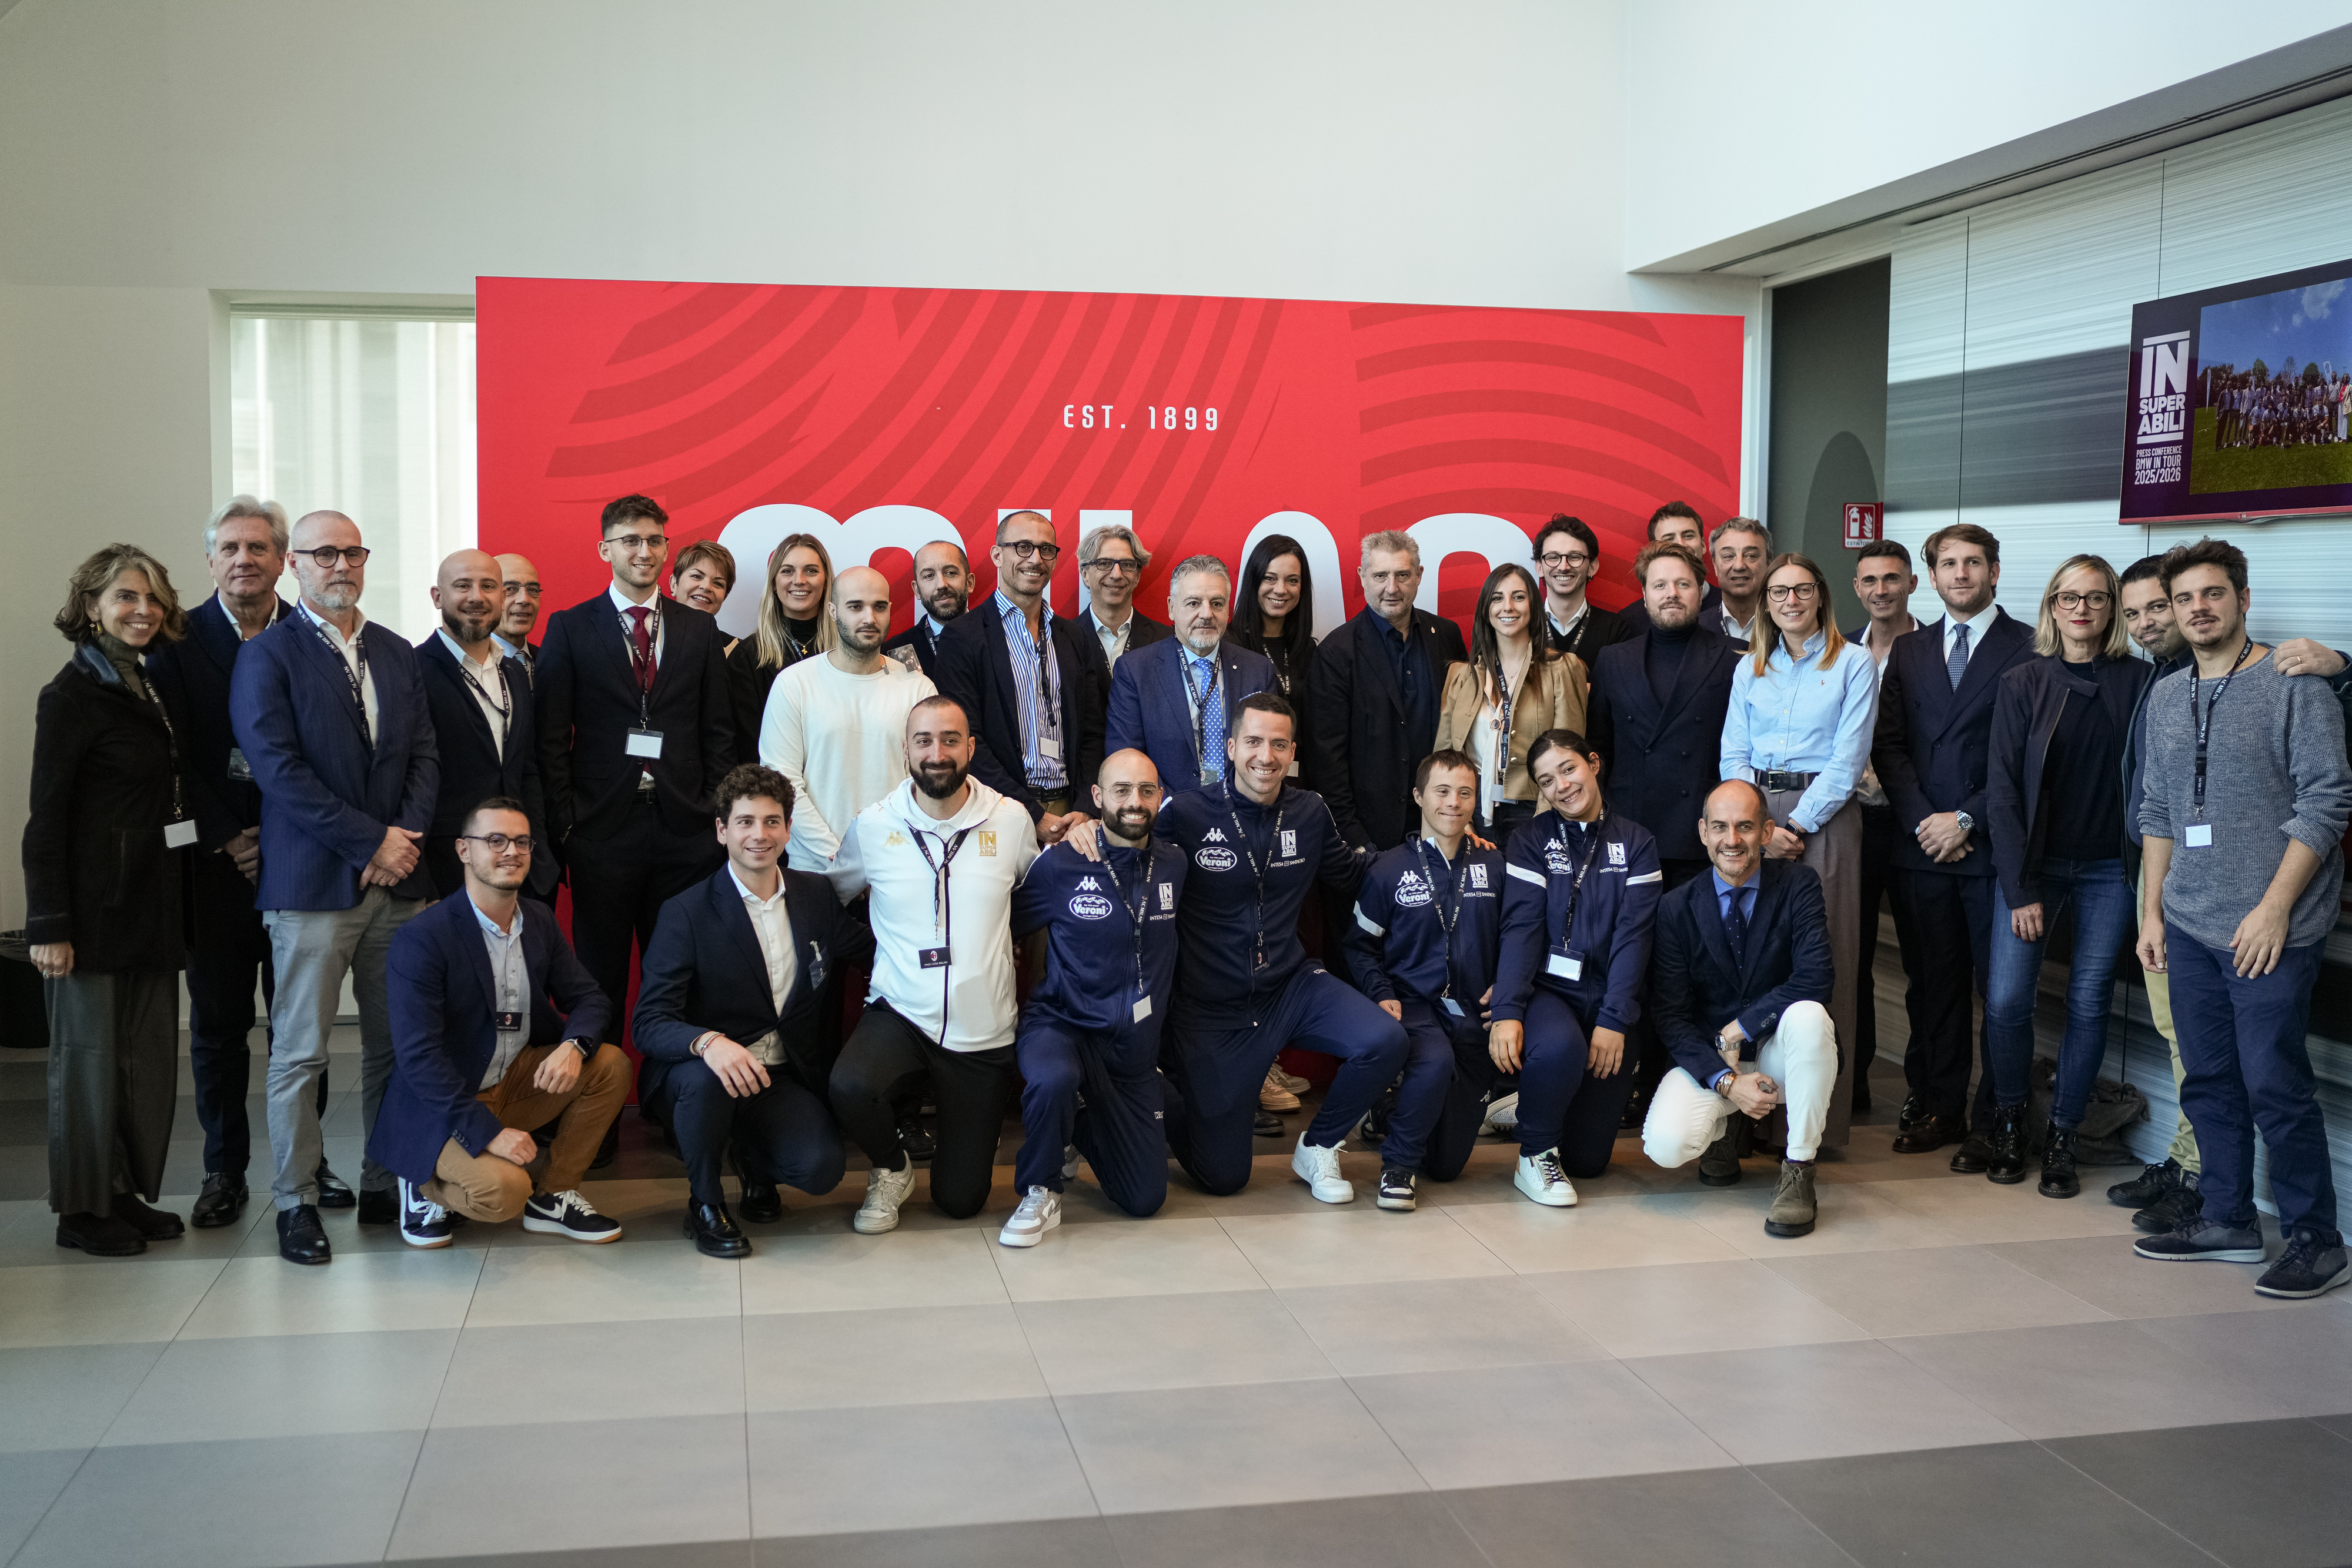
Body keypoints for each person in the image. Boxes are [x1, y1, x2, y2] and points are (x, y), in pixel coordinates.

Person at [1073, 693, 1406, 1201]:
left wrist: (1429, 847)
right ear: (1230, 747)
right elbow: (1128, 845)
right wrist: (1086, 833)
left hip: (1291, 987)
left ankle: (1318, 1145)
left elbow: (1351, 871)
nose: (1265, 756)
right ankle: (1133, 1093)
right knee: (1223, 1177)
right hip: (1212, 1011)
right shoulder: (1186, 812)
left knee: (1386, 1040)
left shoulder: (1310, 811)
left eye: (1279, 744)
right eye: (1253, 741)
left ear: (1292, 751)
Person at [2134, 539, 2352, 1299]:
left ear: (2243, 599)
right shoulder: (2167, 696)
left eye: (2213, 593)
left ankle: (2315, 1238)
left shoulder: (2295, 686)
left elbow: (2327, 802)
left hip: (2271, 929)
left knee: (2275, 1085)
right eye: (2184, 598)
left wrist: (2274, 909)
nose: (2198, 608)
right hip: (2189, 923)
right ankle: (2226, 1216)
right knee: (2208, 1079)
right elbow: (2157, 810)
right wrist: (2152, 913)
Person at [229, 509, 439, 1265]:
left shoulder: (396, 651)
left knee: (396, 1047)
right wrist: (369, 841)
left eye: (352, 552)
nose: (341, 565)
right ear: (295, 565)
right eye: (324, 554)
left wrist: (402, 840)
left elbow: (425, 756)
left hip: (398, 886)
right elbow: (279, 771)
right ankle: (295, 1202)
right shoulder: (267, 654)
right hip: (311, 885)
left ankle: (384, 1182)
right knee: (300, 1054)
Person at [146, 497, 343, 1229]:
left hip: (301, 862)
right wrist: (230, 836)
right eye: (229, 548)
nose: (244, 560)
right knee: (220, 1029)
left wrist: (286, 836)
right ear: (209, 561)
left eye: (258, 548)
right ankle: (223, 1169)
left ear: (283, 560)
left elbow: (330, 748)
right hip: (215, 866)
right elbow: (171, 755)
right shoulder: (174, 641)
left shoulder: (315, 635)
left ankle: (309, 1161)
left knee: (303, 1029)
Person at [25, 545, 196, 1258]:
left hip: (151, 907)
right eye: (126, 596)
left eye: (152, 597)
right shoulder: (71, 695)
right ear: (92, 606)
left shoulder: (147, 683)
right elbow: (46, 819)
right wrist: (48, 925)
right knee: (88, 1065)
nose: (142, 610)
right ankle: (81, 1209)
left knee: (140, 1061)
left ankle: (120, 1192)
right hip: (92, 917)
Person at [535, 493, 734, 1083]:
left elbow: (718, 733)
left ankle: (671, 1102)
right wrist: (568, 823)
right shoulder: (571, 627)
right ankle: (594, 1108)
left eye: (653, 540)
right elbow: (550, 738)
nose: (643, 551)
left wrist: (712, 814)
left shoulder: (698, 629)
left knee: (679, 976)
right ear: (606, 550)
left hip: (685, 830)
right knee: (599, 977)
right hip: (601, 832)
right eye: (630, 540)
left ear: (666, 548)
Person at [634, 765, 869, 1256]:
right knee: (706, 1081)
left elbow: (872, 949)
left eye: (771, 821)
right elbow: (649, 1022)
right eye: (745, 822)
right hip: (700, 1075)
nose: (759, 834)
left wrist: (945, 951)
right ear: (722, 831)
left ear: (787, 829)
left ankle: (753, 1159)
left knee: (821, 1168)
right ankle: (705, 1204)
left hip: (776, 1076)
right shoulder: (686, 911)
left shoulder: (816, 895)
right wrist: (709, 1043)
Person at [826, 697, 1041, 1231]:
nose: (937, 753)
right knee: (849, 1086)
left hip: (982, 1028)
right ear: (906, 750)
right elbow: (830, 901)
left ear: (971, 747)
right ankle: (892, 1167)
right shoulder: (874, 824)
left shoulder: (1011, 819)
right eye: (923, 740)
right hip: (900, 1011)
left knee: (960, 1200)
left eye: (950, 739)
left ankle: (964, 1148)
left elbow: (1038, 896)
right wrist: (879, 952)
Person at [372, 799, 625, 1247]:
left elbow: (589, 997)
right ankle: (421, 1185)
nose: (511, 851)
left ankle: (554, 1196)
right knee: (505, 1193)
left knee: (609, 1064)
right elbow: (419, 1059)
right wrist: (488, 1134)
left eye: (522, 841)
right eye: (495, 840)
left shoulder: (539, 920)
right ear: (463, 850)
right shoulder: (423, 936)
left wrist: (574, 1046)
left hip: (510, 1081)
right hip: (442, 1104)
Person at [1982, 555, 2149, 1196]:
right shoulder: (2024, 682)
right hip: (2036, 868)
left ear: (2113, 608)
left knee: (2088, 1001)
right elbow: (2002, 792)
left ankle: (2063, 1133)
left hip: (2111, 869)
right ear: (2052, 605)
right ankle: (2008, 1120)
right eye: (2069, 598)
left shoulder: (2140, 680)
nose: (2082, 609)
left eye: (2096, 598)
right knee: (2006, 1000)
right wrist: (2020, 888)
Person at [1871, 522, 2034, 1167]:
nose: (1960, 574)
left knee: (2000, 997)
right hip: (1922, 849)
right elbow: (1889, 747)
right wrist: (1926, 822)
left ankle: (1994, 1121)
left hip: (1992, 850)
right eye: (1947, 563)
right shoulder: (1910, 650)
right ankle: (1939, 1105)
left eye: (1972, 562)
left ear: (1994, 571)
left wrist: (1965, 819)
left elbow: (2027, 759)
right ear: (1932, 577)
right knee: (1932, 986)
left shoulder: (2029, 647)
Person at [1719, 551, 1876, 1152]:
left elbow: (1848, 760)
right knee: (1749, 956)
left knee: (1825, 957)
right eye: (1779, 591)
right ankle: (1746, 1114)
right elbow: (1733, 751)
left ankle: (1808, 1130)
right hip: (1753, 812)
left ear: (1820, 597)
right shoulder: (1750, 666)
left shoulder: (1854, 662)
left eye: (1802, 590)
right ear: (1766, 601)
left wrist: (1796, 824)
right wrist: (1755, 825)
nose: (1791, 600)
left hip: (1825, 816)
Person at [1001, 749, 1186, 1243]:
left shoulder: (1175, 863)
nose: (1135, 801)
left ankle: (1076, 1126)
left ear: (1160, 797)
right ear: (1099, 796)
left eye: (1146, 790)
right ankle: (1041, 1188)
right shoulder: (1063, 863)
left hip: (1131, 1054)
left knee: (1145, 1198)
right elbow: (1003, 928)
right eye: (1122, 790)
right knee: (1054, 1077)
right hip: (1063, 1024)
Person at [1640, 780, 1836, 1238]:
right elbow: (1671, 1016)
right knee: (1666, 1146)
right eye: (1721, 827)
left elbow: (1815, 978)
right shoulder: (1675, 908)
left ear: (1766, 832)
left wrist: (1739, 1028)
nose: (1733, 839)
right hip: (1715, 1060)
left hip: (1779, 1051)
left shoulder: (1799, 885)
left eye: (1745, 826)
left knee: (1810, 1016)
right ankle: (1725, 1127)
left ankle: (1799, 1170)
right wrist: (1726, 1081)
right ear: (1703, 832)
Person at [1488, 730, 1662, 1204]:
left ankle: (1532, 1101)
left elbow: (1634, 937)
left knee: (1588, 1162)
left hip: (1610, 995)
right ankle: (1534, 1153)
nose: (1562, 786)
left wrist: (1615, 1019)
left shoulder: (1637, 842)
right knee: (1559, 1047)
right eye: (1547, 781)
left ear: (1594, 763)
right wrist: (1508, 1009)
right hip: (1551, 993)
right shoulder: (1530, 840)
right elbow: (1521, 928)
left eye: (1569, 769)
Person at [1341, 750, 1505, 1211]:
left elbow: (1518, 935)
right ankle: (1398, 1166)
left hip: (1474, 1012)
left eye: (1465, 793)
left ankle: (1387, 1110)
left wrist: (1508, 987)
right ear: (1418, 796)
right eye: (1442, 791)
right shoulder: (1388, 868)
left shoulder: (1496, 864)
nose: (1453, 802)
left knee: (1447, 1165)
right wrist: (1380, 992)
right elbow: (1359, 945)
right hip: (1413, 1005)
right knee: (1433, 1060)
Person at [934, 510, 1108, 841]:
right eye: (1023, 547)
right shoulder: (962, 637)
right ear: (997, 555)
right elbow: (967, 740)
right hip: (996, 812)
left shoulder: (1073, 636)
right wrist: (1032, 814)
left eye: (1046, 550)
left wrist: (1085, 807)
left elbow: (1092, 731)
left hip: (1072, 816)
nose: (1036, 559)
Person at [759, 566, 938, 871]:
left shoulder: (918, 688)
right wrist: (840, 858)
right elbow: (781, 781)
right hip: (816, 870)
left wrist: (884, 856)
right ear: (833, 611)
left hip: (898, 865)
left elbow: (926, 783)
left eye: (879, 607)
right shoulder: (794, 683)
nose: (869, 618)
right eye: (855, 607)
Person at [1587, 543, 1741, 890]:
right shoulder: (1612, 659)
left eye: (1683, 584)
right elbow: (1598, 749)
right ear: (1644, 596)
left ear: (1700, 592)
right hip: (1629, 831)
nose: (1672, 593)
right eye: (1660, 585)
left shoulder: (1734, 658)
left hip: (1703, 832)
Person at [1309, 530, 1469, 851]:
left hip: (1442, 825)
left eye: (1403, 575)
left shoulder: (1446, 636)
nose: (1392, 588)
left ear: (1419, 576)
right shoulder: (1336, 653)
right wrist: (1355, 840)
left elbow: (1465, 731)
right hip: (1369, 836)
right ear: (1363, 577)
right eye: (1380, 575)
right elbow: (1326, 760)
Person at [418, 549, 553, 902]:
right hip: (446, 870)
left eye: (489, 586)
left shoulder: (515, 672)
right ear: (437, 597)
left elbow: (526, 771)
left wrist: (541, 857)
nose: (477, 597)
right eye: (463, 585)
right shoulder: (412, 670)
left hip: (522, 865)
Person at [1845, 539, 1922, 1112]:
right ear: (1856, 588)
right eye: (1869, 580)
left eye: (1891, 578)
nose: (1880, 590)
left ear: (1912, 584)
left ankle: (1926, 1090)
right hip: (1855, 821)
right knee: (1854, 957)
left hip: (1916, 823)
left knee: (1926, 961)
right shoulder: (1840, 650)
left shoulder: (1936, 649)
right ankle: (1855, 1080)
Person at [1435, 563, 1590, 841]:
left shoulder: (1563, 669)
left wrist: (1546, 819)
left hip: (1535, 808)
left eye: (1518, 597)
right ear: (1486, 609)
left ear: (1533, 607)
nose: (1508, 606)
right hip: (1471, 808)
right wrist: (1458, 818)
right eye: (1497, 598)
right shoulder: (1461, 676)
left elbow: (1569, 756)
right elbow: (1444, 757)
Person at [1105, 554, 1275, 794]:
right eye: (1194, 603)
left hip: (1241, 808)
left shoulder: (1258, 670)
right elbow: (1125, 760)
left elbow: (1267, 753)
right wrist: (1175, 808)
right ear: (1171, 608)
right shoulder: (1135, 671)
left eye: (1217, 603)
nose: (1207, 614)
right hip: (1167, 810)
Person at [727, 533, 836, 756]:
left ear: (826, 582)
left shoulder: (848, 650)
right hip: (772, 776)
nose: (799, 580)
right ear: (774, 584)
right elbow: (747, 748)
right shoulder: (747, 657)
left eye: (811, 571)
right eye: (787, 571)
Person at [1231, 533, 1320, 777]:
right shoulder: (1229, 647)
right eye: (1269, 578)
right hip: (1246, 779)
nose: (1281, 590)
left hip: (1299, 781)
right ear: (1253, 581)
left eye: (1292, 580)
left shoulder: (1309, 650)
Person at [1533, 514, 1636, 673]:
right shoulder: (1523, 624)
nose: (1563, 567)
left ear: (1592, 567)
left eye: (1575, 557)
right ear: (1540, 567)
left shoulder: (1616, 629)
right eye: (1553, 557)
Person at [1075, 521, 1170, 671]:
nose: (1117, 575)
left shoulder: (1167, 640)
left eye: (1127, 564)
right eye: (1104, 563)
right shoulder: (1062, 639)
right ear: (1085, 574)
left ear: (1137, 576)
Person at [1616, 502, 1723, 631]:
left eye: (1688, 536)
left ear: (1703, 545)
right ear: (1654, 549)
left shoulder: (1729, 606)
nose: (1681, 544)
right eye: (1669, 539)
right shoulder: (1629, 621)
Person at [880, 537, 971, 679]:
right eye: (929, 576)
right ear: (917, 590)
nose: (941, 585)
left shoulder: (998, 637)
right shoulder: (894, 652)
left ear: (969, 583)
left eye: (951, 573)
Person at [669, 539, 739, 653]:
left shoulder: (739, 652)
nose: (706, 587)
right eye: (697, 576)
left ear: (724, 597)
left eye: (718, 583)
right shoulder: (648, 638)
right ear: (674, 584)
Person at [1707, 517, 1772, 641]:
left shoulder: (1787, 626)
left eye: (1751, 556)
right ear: (1715, 565)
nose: (1739, 566)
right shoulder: (1697, 628)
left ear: (1768, 562)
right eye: (1728, 556)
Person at [493, 552, 543, 685]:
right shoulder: (469, 662)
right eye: (510, 589)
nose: (524, 600)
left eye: (533, 590)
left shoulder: (549, 661)